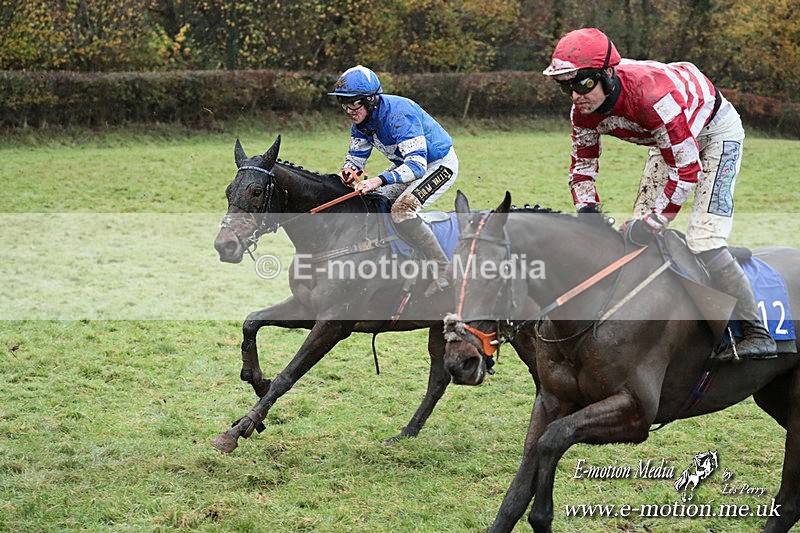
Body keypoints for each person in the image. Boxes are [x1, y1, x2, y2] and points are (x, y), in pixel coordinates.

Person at [542, 28, 776, 359]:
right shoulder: (582, 111)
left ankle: (755, 331)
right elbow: (582, 168)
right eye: (567, 87)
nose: (575, 95)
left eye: (583, 84)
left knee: (703, 240)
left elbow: (686, 171)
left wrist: (654, 222)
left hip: (716, 133)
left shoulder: (654, 98)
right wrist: (588, 211)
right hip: (668, 140)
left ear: (608, 75)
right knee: (634, 235)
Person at [328, 65, 458, 295]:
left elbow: (417, 165)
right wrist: (349, 172)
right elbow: (356, 159)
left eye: (354, 103)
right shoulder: (361, 123)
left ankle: (442, 269)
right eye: (344, 103)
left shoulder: (399, 114)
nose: (349, 110)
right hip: (409, 165)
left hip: (438, 165)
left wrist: (378, 180)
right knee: (373, 202)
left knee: (402, 210)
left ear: (371, 99)